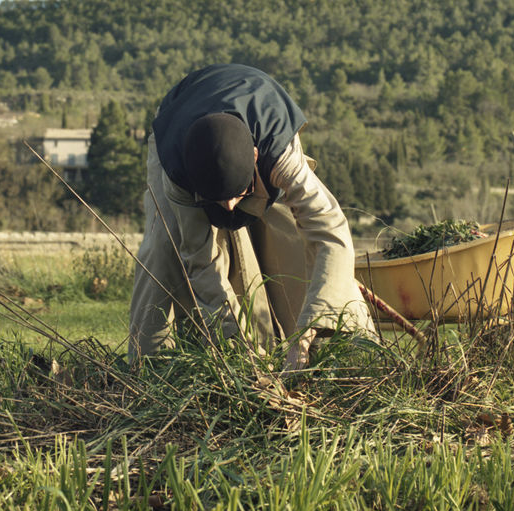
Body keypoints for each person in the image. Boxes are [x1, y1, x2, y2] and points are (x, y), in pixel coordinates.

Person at [128, 63, 376, 370]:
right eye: (219, 200)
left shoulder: (281, 156)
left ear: (256, 157)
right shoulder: (179, 171)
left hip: (260, 115)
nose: (231, 206)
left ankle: (354, 354)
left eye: (239, 193)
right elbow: (202, 260)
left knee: (287, 232)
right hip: (178, 119)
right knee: (163, 245)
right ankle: (149, 365)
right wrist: (239, 349)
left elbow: (331, 232)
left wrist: (307, 332)